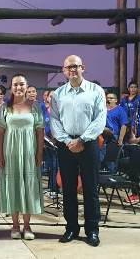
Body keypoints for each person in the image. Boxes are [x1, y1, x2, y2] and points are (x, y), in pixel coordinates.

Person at [50, 55, 106, 247]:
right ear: (64, 71)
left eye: (76, 66)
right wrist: (68, 141)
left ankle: (92, 230)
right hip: (66, 146)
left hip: (88, 144)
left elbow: (100, 119)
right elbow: (55, 121)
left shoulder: (95, 91)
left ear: (83, 68)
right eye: (68, 67)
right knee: (68, 188)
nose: (72, 70)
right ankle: (71, 228)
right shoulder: (58, 94)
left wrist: (81, 140)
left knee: (90, 188)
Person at [0, 74, 45, 240]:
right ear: (11, 87)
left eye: (21, 84)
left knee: (29, 187)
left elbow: (40, 131)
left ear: (27, 86)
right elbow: (0, 133)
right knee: (13, 187)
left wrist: (39, 153)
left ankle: (27, 225)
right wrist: (0, 155)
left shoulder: (35, 107)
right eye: (15, 85)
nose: (18, 87)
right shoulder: (5, 108)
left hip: (30, 153)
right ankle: (15, 225)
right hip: (10, 153)